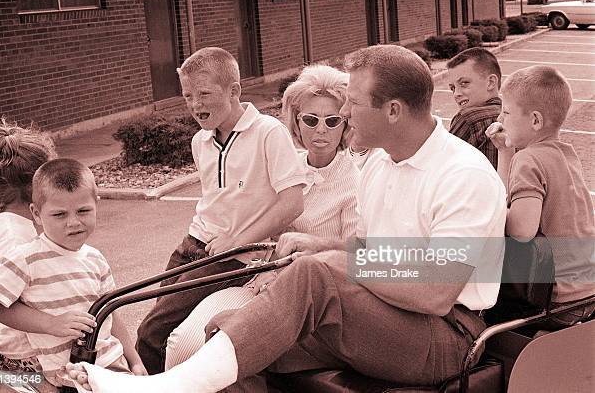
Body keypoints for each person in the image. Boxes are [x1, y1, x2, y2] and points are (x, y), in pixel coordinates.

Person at [66, 44, 506, 393]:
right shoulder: (379, 163)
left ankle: (169, 387)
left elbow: (434, 292)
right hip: (384, 314)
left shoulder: (462, 174)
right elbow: (373, 252)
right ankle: (183, 382)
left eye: (351, 103)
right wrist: (324, 246)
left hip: (445, 336)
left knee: (313, 277)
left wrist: (335, 262)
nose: (345, 114)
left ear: (393, 110)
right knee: (226, 333)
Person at [163, 64, 360, 369]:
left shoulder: (356, 180)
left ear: (346, 124)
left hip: (309, 293)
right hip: (254, 275)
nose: (321, 129)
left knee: (210, 348)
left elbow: (354, 255)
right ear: (296, 122)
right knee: (181, 342)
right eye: (310, 119)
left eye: (332, 120)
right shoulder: (278, 158)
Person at [135, 47, 306, 374]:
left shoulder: (268, 132)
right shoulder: (201, 141)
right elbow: (216, 201)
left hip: (229, 256)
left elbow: (293, 203)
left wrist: (236, 241)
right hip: (192, 246)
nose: (195, 105)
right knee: (161, 325)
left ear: (234, 91)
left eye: (204, 94)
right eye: (187, 96)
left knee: (151, 334)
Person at [0, 158, 147, 388]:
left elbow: (110, 312)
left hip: (110, 363)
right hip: (68, 374)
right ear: (36, 214)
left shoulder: (95, 259)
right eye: (59, 214)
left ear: (96, 205)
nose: (73, 223)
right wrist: (51, 323)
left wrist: (134, 359)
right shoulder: (25, 258)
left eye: (83, 211)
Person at [486, 65, 595, 329]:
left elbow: (522, 230)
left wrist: (488, 212)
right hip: (587, 288)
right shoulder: (565, 154)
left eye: (507, 111)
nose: (500, 117)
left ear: (535, 120)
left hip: (557, 298)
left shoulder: (529, 160)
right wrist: (505, 152)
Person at [0, 120, 58, 374]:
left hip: (8, 344)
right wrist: (54, 323)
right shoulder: (17, 238)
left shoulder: (1, 222)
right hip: (22, 354)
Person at [447, 47, 502, 168]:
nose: (457, 94)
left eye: (464, 83)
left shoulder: (468, 118)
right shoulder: (511, 115)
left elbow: (443, 163)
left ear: (491, 82)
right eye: (453, 88)